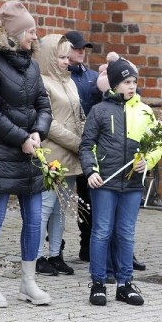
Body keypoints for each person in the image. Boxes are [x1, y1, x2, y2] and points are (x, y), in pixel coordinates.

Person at [0, 1, 52, 308]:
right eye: (30, 30)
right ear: (15, 32)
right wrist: (20, 138)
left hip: (29, 153)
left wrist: (37, 133)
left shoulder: (31, 65)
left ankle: (28, 282)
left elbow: (44, 105)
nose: (35, 35)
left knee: (34, 220)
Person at [79, 58, 161, 307]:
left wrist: (147, 162)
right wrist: (91, 170)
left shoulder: (145, 112)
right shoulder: (100, 111)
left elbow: (156, 145)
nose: (132, 86)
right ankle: (98, 283)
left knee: (126, 233)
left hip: (132, 185)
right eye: (126, 82)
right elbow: (86, 145)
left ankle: (125, 284)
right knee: (102, 231)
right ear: (114, 85)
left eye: (134, 81)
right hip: (105, 182)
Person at [35, 33, 83, 277]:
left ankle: (55, 254)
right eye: (61, 57)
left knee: (61, 209)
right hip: (52, 154)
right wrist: (77, 142)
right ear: (49, 58)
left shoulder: (70, 81)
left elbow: (77, 115)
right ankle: (35, 256)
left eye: (67, 57)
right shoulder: (42, 82)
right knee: (45, 206)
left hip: (71, 156)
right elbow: (48, 123)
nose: (66, 61)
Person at [64, 30, 103, 263]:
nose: (81, 51)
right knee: (63, 197)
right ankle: (54, 247)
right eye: (76, 47)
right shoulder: (61, 77)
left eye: (83, 48)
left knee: (88, 197)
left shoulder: (93, 77)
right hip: (66, 143)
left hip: (90, 145)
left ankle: (87, 245)